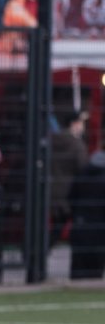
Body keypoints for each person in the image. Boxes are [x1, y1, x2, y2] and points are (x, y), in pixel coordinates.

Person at [50, 110, 88, 245]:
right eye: (82, 123)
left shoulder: (52, 140)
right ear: (74, 124)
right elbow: (83, 169)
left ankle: (38, 252)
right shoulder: (77, 145)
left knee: (56, 225)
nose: (83, 126)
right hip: (69, 192)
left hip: (51, 188)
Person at [69, 150, 105, 280]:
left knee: (78, 269)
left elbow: (71, 197)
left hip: (81, 224)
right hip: (100, 229)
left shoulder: (83, 172)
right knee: (95, 271)